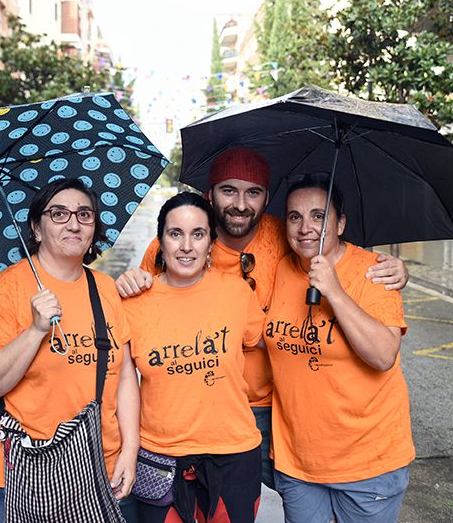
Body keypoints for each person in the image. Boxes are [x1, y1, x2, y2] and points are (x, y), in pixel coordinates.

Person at [116, 147, 409, 490]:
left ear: (267, 198)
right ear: (209, 195)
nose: (241, 204)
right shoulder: (176, 245)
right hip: (200, 410)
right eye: (229, 190)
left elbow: (333, 247)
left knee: (282, 498)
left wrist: (395, 269)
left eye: (253, 192)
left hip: (277, 408)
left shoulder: (288, 233)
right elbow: (149, 303)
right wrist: (129, 283)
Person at [0, 178, 140, 523]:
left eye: (84, 214)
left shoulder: (104, 289)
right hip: (22, 472)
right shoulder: (8, 288)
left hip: (99, 466)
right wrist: (35, 330)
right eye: (59, 214)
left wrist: (130, 451)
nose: (74, 224)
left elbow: (124, 376)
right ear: (36, 228)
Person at [264, 174, 413, 523]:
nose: (305, 227)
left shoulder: (373, 272)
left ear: (341, 223)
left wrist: (334, 291)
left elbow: (383, 355)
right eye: (295, 216)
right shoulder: (279, 267)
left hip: (368, 461)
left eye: (318, 215)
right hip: (298, 461)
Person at [122, 191, 265, 523]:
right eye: (176, 234)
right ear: (160, 242)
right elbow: (122, 382)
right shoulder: (132, 302)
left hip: (233, 455)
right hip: (159, 458)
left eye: (198, 234)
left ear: (211, 243)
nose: (186, 246)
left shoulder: (237, 292)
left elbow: (265, 343)